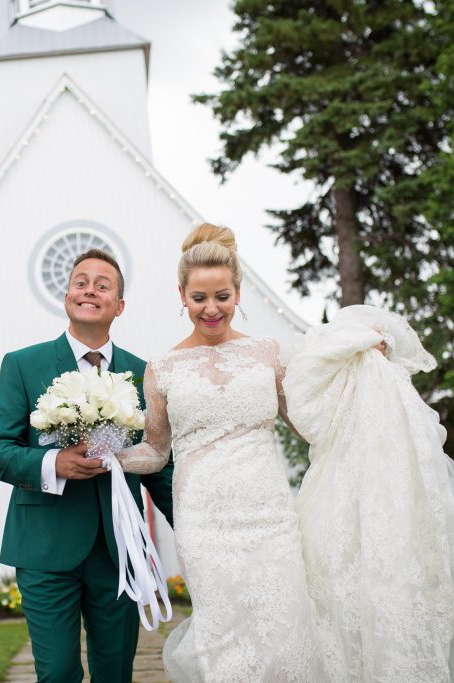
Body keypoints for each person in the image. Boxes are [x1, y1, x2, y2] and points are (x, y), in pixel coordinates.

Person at [116, 224, 332, 682]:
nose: (211, 309)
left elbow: (310, 425)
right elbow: (155, 452)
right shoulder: (162, 369)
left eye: (221, 296)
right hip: (203, 525)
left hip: (270, 517)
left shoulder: (268, 354)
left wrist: (357, 373)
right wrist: (110, 457)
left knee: (285, 628)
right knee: (225, 638)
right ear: (182, 295)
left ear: (238, 293)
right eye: (199, 298)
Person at [0, 248, 175, 683]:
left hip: (119, 550)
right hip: (44, 549)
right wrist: (54, 463)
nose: (90, 289)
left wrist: (192, 527)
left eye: (102, 285)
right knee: (56, 673)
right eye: (81, 281)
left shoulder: (143, 374)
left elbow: (159, 466)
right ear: (68, 295)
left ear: (119, 306)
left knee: (115, 673)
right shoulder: (22, 365)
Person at [284, 304, 454, 682]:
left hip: (370, 515)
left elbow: (305, 405)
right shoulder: (391, 434)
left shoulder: (393, 440)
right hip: (345, 506)